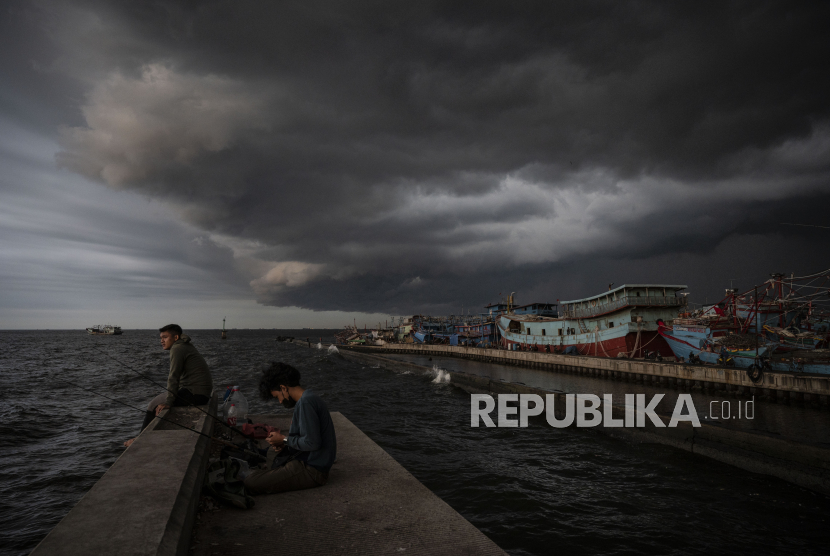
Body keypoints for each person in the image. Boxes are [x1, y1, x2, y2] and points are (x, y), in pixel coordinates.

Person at [243, 362, 336, 495]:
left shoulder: (306, 403)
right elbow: (306, 437)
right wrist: (283, 443)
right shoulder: (307, 399)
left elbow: (312, 443)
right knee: (271, 452)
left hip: (312, 470)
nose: (280, 401)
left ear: (283, 388)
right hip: (307, 460)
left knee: (250, 482)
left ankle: (276, 474)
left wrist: (284, 440)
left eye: (277, 397)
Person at [123, 324, 214, 447]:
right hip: (200, 393)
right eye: (161, 338)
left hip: (196, 394)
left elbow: (173, 377)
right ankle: (143, 436)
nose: (161, 341)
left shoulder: (177, 348)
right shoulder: (184, 345)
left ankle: (140, 439)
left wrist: (169, 402)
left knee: (154, 404)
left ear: (175, 337)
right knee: (158, 401)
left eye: (165, 337)